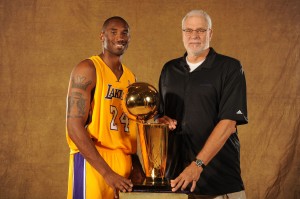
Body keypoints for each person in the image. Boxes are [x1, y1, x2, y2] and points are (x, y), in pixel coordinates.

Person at [157, 10, 248, 199]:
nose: (194, 36)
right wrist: (161, 120)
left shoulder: (230, 68)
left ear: (210, 33)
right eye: (188, 30)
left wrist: (197, 165)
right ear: (182, 33)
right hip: (176, 183)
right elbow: (160, 115)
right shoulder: (169, 69)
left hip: (218, 182)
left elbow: (228, 124)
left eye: (200, 30)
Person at [66, 16, 144, 199]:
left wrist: (136, 165)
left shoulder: (131, 78)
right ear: (102, 36)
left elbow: (129, 128)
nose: (120, 37)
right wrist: (107, 173)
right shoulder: (88, 69)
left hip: (123, 163)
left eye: (125, 32)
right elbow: (74, 127)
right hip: (94, 162)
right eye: (113, 32)